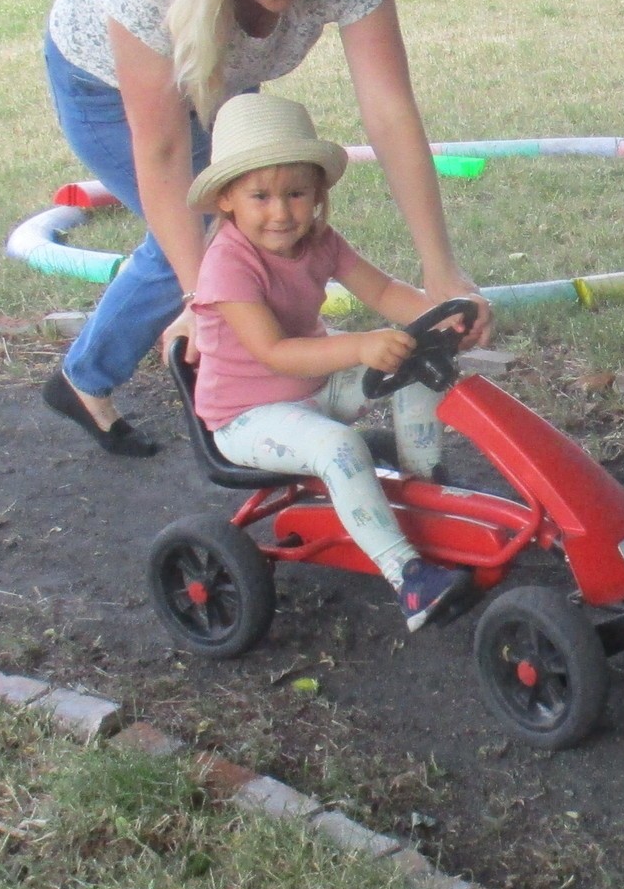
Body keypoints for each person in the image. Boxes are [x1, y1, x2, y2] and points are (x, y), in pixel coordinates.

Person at [39, 0, 488, 456]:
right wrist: (204, 302)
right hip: (104, 84)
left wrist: (441, 270)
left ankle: (258, 377)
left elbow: (390, 113)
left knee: (244, 232)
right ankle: (87, 381)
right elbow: (163, 155)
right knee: (211, 241)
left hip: (224, 69)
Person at [185, 91, 471, 632]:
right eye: (260, 196)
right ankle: (408, 578)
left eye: (295, 194)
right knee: (341, 447)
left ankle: (425, 491)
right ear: (226, 198)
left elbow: (383, 290)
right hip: (248, 414)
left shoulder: (319, 241)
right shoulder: (228, 264)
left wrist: (441, 317)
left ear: (317, 193)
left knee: (417, 366)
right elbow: (275, 353)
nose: (281, 213)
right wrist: (361, 346)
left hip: (315, 385)